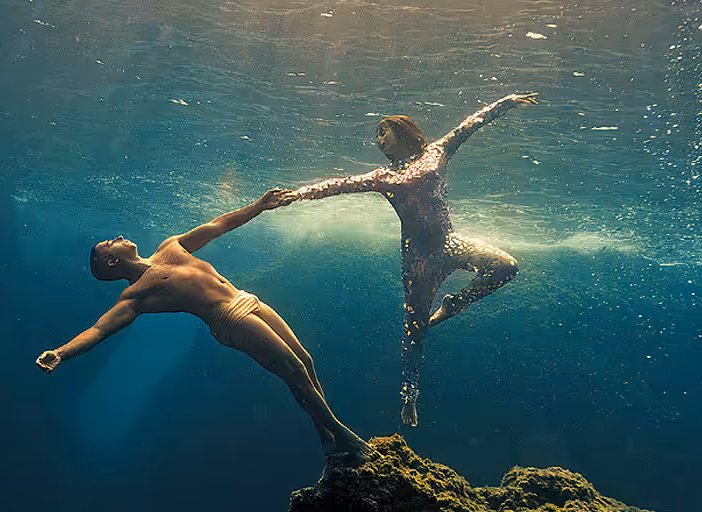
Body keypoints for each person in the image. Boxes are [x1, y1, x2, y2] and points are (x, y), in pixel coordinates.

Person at [35, 189, 372, 463]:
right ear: (112, 261)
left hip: (245, 298)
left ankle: (327, 440)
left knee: (305, 362)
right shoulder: (135, 295)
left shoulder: (170, 247)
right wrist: (61, 353)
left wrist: (260, 206)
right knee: (294, 371)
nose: (119, 236)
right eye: (112, 242)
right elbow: (99, 330)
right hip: (229, 319)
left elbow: (219, 224)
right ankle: (342, 434)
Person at [287, 92, 540, 427]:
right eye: (376, 135)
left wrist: (506, 102)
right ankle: (409, 397)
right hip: (418, 260)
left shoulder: (437, 152)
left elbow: (469, 125)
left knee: (507, 266)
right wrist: (296, 195)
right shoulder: (381, 177)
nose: (378, 140)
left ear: (402, 130)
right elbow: (337, 185)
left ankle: (456, 303)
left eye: (382, 132)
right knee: (415, 329)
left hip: (450, 243)